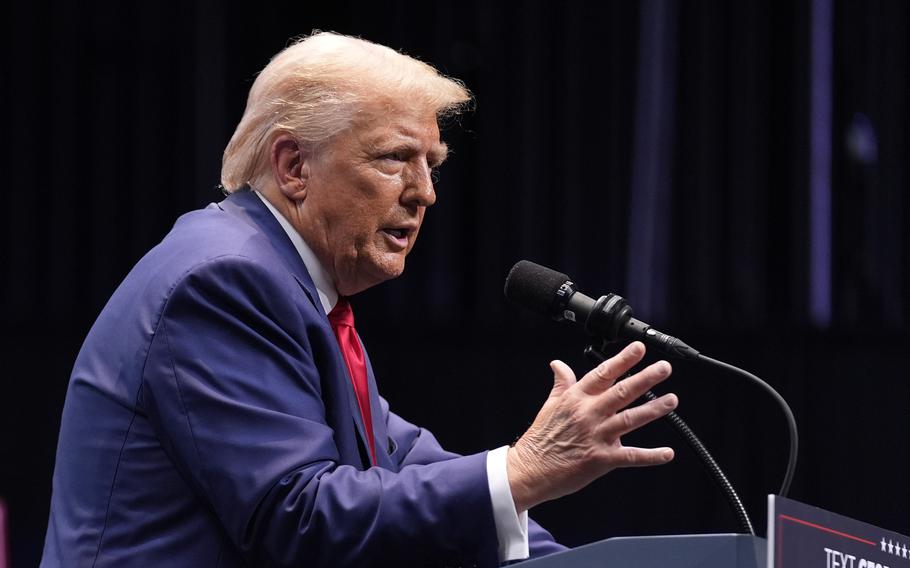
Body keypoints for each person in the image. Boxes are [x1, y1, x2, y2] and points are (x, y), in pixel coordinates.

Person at [41, 32, 679, 567]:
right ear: (294, 166)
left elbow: (398, 464)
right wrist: (521, 470)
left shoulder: (294, 287)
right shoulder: (225, 282)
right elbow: (296, 515)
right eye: (395, 159)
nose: (424, 193)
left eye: (432, 163)